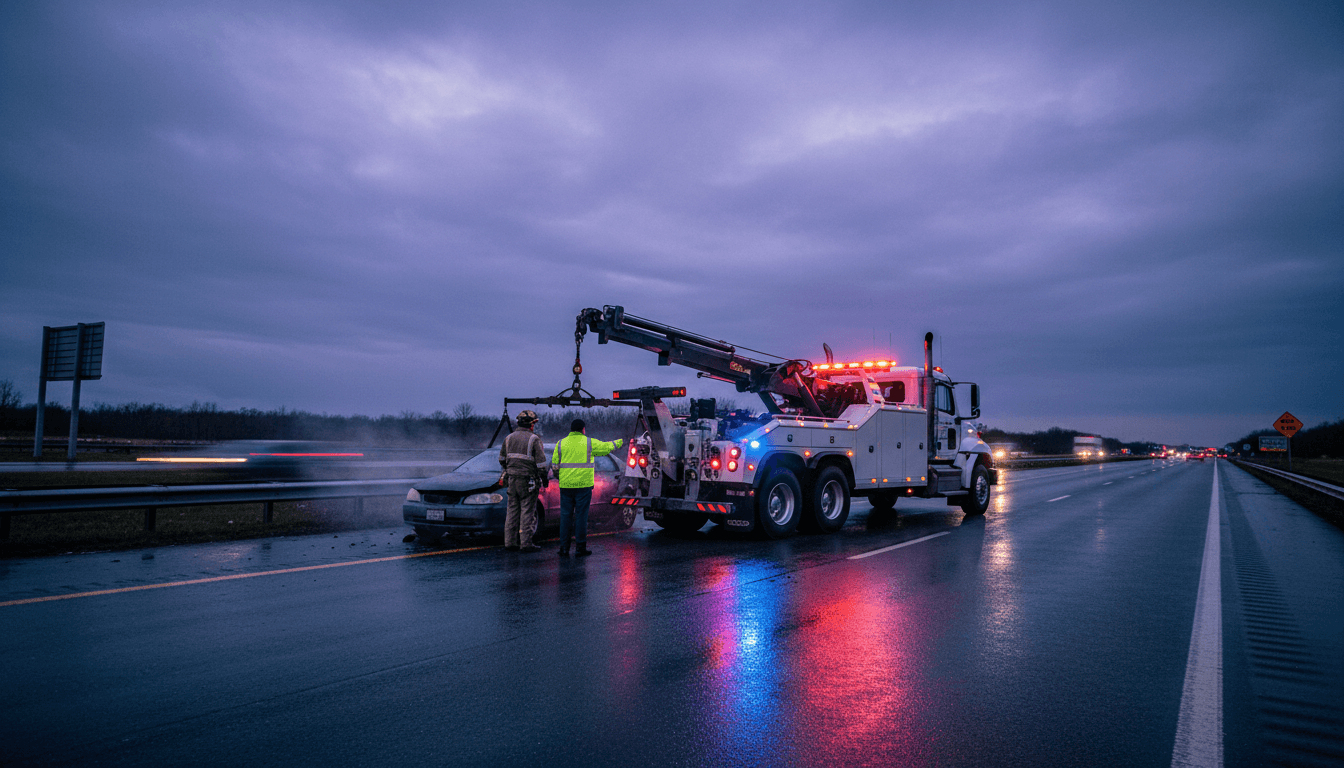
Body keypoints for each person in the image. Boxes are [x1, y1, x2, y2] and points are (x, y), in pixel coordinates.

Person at [552, 418, 623, 556]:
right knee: (581, 516)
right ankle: (580, 548)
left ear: (571, 430)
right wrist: (620, 442)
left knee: (565, 516)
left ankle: (564, 548)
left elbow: (555, 465)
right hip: (583, 486)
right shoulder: (589, 442)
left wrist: (560, 477)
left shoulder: (560, 443)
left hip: (566, 486)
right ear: (583, 429)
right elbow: (607, 447)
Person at [498, 410, 548, 553]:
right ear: (531, 424)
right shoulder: (534, 439)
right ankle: (526, 544)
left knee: (512, 512)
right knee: (527, 512)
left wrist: (511, 469)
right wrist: (544, 478)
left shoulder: (508, 438)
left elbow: (501, 459)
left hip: (512, 480)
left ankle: (510, 543)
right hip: (528, 481)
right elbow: (541, 464)